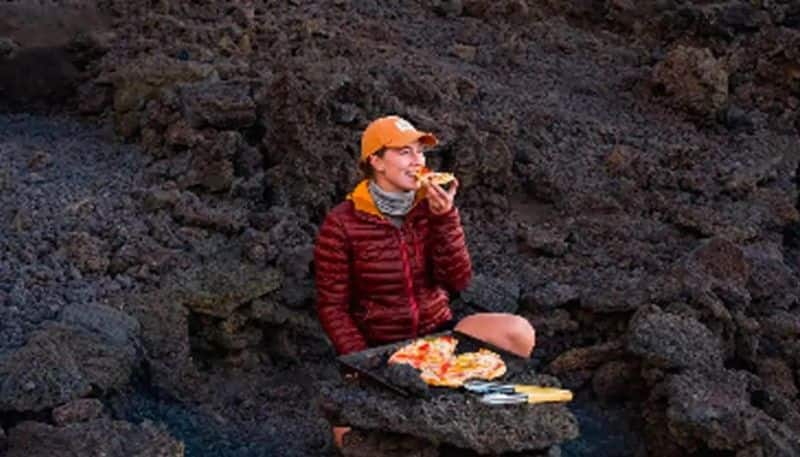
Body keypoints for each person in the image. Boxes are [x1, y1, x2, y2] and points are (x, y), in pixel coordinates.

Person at [313, 115, 536, 448]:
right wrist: (363, 362)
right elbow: (332, 306)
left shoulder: (430, 209)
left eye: (420, 152)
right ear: (376, 161)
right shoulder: (342, 223)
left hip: (438, 336)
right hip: (380, 350)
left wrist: (446, 219)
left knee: (518, 332)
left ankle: (469, 405)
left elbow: (458, 281)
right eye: (404, 152)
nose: (417, 160)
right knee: (349, 438)